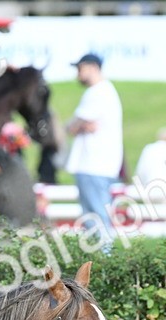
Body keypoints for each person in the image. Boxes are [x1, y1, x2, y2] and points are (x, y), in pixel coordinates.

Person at [65, 53, 123, 248]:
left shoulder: (98, 92)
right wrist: (80, 126)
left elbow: (72, 126)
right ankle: (99, 261)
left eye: (80, 69)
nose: (78, 74)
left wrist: (76, 126)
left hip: (93, 163)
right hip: (98, 164)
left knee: (95, 218)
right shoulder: (104, 91)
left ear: (92, 67)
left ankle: (105, 260)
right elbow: (79, 124)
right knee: (94, 217)